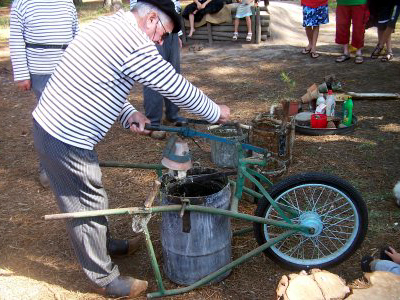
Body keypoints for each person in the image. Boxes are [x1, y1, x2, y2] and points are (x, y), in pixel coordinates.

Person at [31, 0, 230, 297]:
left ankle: (106, 246)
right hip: (64, 136)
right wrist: (215, 112)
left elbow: (99, 81)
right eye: (163, 34)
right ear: (151, 19)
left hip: (61, 130)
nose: (161, 41)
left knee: (92, 196)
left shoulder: (109, 25)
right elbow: (173, 85)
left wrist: (129, 114)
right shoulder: (134, 42)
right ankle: (104, 279)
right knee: (84, 205)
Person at [9, 0, 79, 187]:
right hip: (40, 71)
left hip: (68, 69)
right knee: (48, 119)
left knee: (70, 117)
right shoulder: (22, 3)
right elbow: (16, 39)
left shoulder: (66, 3)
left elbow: (77, 34)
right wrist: (22, 74)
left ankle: (70, 164)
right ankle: (47, 168)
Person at [130, 0, 185, 136]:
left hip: (168, 25)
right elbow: (137, 7)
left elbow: (174, 4)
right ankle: (153, 123)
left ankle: (172, 114)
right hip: (152, 25)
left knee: (173, 73)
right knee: (153, 75)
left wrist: (176, 34)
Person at [334, 0, 369, 64]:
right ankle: (345, 52)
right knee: (342, 25)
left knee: (358, 27)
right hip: (342, 2)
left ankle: (358, 52)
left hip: (359, 2)